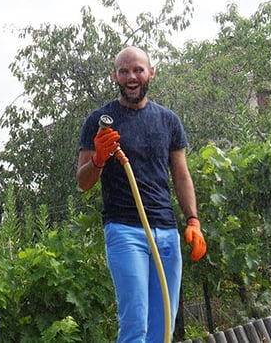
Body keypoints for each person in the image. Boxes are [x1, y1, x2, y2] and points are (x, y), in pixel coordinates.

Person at [76, 46, 207, 342]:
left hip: (166, 232)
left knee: (163, 329)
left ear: (151, 72)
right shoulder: (99, 120)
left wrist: (193, 220)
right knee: (136, 324)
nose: (131, 77)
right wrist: (99, 157)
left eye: (137, 70)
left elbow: (182, 174)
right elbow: (83, 182)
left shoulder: (168, 120)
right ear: (115, 76)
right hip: (124, 230)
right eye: (124, 71)